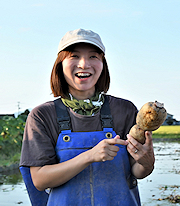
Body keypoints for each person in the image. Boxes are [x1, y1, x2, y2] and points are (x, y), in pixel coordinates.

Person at [20, 29, 154, 206]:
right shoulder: (42, 116)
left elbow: (137, 171)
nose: (84, 64)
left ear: (102, 64)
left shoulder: (125, 109)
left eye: (93, 57)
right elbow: (39, 180)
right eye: (74, 56)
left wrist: (147, 162)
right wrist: (89, 156)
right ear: (60, 64)